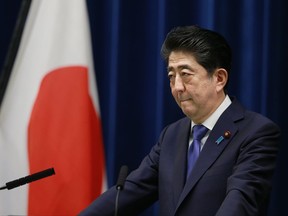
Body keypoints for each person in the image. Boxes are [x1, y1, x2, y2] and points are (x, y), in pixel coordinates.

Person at [79, 25, 280, 216]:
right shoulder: (171, 135)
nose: (177, 87)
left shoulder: (256, 132)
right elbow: (130, 192)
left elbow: (240, 203)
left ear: (219, 78)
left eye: (185, 75)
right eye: (171, 76)